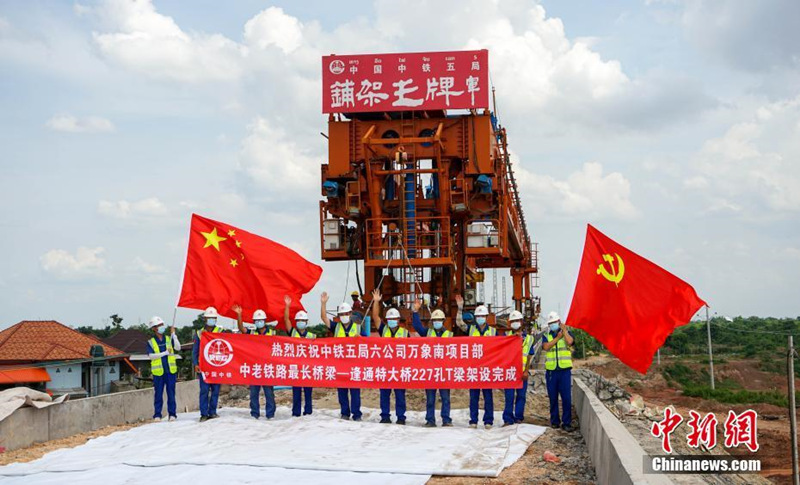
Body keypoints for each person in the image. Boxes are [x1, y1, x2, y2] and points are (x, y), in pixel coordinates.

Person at [321, 291, 368, 421]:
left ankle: (357, 414)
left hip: (354, 365)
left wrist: (360, 339)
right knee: (342, 392)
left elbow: (368, 343)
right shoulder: (336, 327)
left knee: (355, 392)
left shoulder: (358, 328)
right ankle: (345, 413)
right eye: (341, 314)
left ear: (351, 314)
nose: (344, 316)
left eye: (346, 313)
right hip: (340, 365)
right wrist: (323, 304)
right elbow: (324, 318)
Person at [455, 295, 497, 429]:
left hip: (487, 368)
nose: (480, 318)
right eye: (478, 316)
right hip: (474, 367)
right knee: (474, 396)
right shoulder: (471, 329)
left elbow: (502, 346)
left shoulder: (493, 331)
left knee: (488, 396)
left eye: (482, 316)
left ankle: (488, 420)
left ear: (486, 317)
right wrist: (460, 308)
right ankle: (473, 420)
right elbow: (459, 323)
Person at [411, 299, 453, 428]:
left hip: (444, 371)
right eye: (435, 320)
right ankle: (430, 420)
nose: (437, 322)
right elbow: (417, 326)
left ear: (443, 321)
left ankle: (446, 419)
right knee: (430, 398)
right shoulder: (428, 333)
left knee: (445, 397)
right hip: (431, 371)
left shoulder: (449, 335)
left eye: (439, 320)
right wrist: (415, 312)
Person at [371, 289, 408, 425]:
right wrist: (376, 302)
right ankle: (385, 416)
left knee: (400, 395)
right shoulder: (384, 330)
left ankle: (401, 417)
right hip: (385, 368)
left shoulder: (405, 333)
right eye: (390, 319)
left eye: (394, 319)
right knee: (384, 394)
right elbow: (375, 317)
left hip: (399, 369)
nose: (392, 321)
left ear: (398, 320)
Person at [234, 304, 276, 420]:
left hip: (267, 368)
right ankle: (254, 413)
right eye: (256, 321)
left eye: (260, 320)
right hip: (255, 368)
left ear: (264, 321)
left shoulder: (272, 333)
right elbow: (242, 328)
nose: (259, 322)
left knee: (269, 393)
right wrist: (239, 315)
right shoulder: (252, 333)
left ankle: (270, 414)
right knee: (254, 393)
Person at [541, 311, 574, 431]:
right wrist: (557, 338)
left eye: (554, 322)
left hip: (564, 370)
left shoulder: (567, 333)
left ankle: (567, 423)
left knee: (566, 398)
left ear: (559, 322)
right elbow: (546, 347)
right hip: (551, 371)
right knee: (553, 397)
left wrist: (564, 331)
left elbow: (570, 342)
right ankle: (555, 421)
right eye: (550, 323)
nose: (552, 325)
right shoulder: (547, 335)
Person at [501, 310, 535, 426]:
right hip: (509, 371)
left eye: (517, 320)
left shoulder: (529, 338)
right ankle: (507, 418)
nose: (515, 323)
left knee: (521, 395)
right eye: (513, 321)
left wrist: (526, 371)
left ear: (521, 322)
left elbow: (529, 355)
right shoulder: (505, 337)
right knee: (509, 396)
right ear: (509, 323)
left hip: (522, 372)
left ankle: (519, 417)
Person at [284, 295, 315, 417]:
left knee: (308, 391)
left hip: (307, 367)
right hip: (295, 367)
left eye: (302, 321)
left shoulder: (312, 336)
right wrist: (287, 306)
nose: (300, 323)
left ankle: (308, 411)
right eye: (298, 321)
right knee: (296, 391)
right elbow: (286, 320)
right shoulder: (293, 333)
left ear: (306, 322)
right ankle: (296, 412)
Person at [147, 316, 181, 421]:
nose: (161, 327)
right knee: (158, 394)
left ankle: (172, 414)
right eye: (158, 325)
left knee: (171, 393)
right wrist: (165, 353)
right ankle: (157, 415)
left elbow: (178, 348)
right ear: (154, 328)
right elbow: (151, 356)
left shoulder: (169, 339)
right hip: (158, 372)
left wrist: (174, 335)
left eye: (162, 325)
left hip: (170, 371)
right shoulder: (151, 342)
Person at [193, 306, 224, 422]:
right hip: (204, 367)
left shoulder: (221, 331)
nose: (212, 320)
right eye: (209, 318)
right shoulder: (199, 333)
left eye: (213, 318)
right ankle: (204, 414)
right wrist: (196, 363)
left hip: (217, 365)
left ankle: (213, 412)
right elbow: (195, 351)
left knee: (215, 390)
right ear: (205, 319)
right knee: (204, 390)